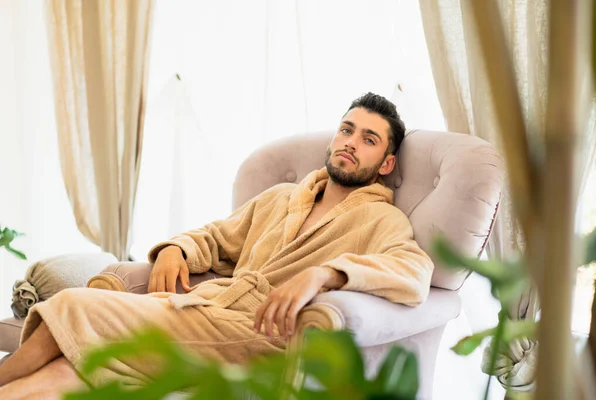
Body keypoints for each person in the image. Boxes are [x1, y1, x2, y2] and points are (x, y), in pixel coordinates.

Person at [0, 92, 434, 399]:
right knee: (65, 370)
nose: (350, 144)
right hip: (211, 312)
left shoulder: (381, 219)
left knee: (74, 305)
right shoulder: (283, 197)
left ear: (386, 164)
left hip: (262, 335)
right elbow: (216, 236)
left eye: (368, 140)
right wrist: (176, 250)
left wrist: (326, 274)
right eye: (347, 130)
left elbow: (413, 271)